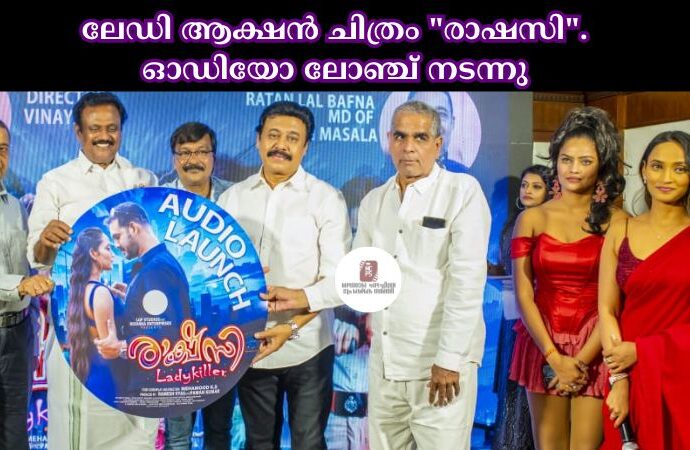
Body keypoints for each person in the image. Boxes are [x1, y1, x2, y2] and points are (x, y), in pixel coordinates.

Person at [354, 100, 490, 449]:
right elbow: (360, 279)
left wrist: (448, 361)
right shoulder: (374, 201)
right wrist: (304, 299)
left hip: (440, 365)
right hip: (386, 364)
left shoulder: (462, 192)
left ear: (438, 144)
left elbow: (466, 283)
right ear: (389, 140)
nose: (408, 147)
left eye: (420, 137)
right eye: (400, 136)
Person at [26, 92, 159, 449]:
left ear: (121, 130)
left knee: (137, 427)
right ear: (78, 132)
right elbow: (37, 257)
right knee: (77, 429)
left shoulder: (143, 179)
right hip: (75, 336)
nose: (104, 136)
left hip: (134, 327)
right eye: (95, 128)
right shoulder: (55, 182)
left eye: (112, 128)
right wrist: (47, 241)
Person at [217, 101, 351, 449]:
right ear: (258, 139)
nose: (281, 145)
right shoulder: (232, 199)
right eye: (273, 135)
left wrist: (290, 327)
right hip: (251, 346)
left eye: (293, 138)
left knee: (308, 442)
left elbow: (337, 283)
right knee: (258, 442)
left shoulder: (326, 199)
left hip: (308, 347)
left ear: (305, 147)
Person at [509, 106, 627, 449]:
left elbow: (614, 301)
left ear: (601, 165)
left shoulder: (618, 221)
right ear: (555, 162)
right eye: (566, 159)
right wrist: (554, 357)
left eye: (585, 161)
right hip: (541, 339)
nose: (573, 169)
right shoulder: (531, 218)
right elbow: (523, 295)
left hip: (596, 342)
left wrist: (580, 361)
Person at [599, 131, 690, 450]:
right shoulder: (621, 229)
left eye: (680, 168)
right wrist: (619, 380)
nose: (666, 178)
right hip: (626, 377)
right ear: (643, 170)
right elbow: (607, 310)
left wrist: (643, 351)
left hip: (682, 380)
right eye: (657, 166)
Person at [161, 122, 235, 450]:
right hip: (172, 338)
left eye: (201, 151)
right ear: (174, 159)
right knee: (178, 436)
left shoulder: (236, 199)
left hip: (224, 333)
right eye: (185, 153)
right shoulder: (158, 202)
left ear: (213, 156)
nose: (193, 160)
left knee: (220, 430)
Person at [0, 120, 54, 450]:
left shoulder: (17, 206)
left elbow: (31, 264)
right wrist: (21, 285)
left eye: (3, 149)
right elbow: (23, 280)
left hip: (19, 334)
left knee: (16, 429)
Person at [492, 164, 551, 450]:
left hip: (535, 316)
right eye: (525, 185)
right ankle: (509, 441)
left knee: (529, 382)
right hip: (510, 314)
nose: (527, 191)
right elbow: (508, 266)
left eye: (536, 186)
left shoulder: (549, 226)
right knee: (510, 382)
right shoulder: (511, 223)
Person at [66, 227, 124, 407]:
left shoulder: (83, 291)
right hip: (109, 382)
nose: (112, 254)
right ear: (93, 253)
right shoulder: (100, 293)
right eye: (107, 248)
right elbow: (109, 350)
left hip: (92, 377)